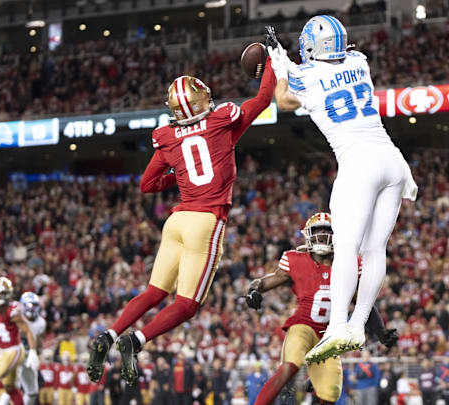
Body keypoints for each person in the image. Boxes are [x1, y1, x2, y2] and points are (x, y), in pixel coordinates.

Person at [87, 49, 277, 386]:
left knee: (153, 292)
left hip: (177, 221)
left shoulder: (168, 138)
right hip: (206, 221)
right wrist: (274, 59)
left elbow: (147, 185)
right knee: (187, 304)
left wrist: (180, 173)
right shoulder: (222, 123)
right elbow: (263, 96)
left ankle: (109, 335)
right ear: (200, 100)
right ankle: (137, 340)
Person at [267, 16, 418, 363]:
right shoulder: (359, 62)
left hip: (358, 163)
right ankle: (358, 323)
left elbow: (284, 101)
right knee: (375, 249)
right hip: (392, 160)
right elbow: (331, 68)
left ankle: (338, 326)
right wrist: (287, 62)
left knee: (347, 247)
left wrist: (279, 65)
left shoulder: (305, 75)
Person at [245, 213, 397, 404]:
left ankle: (315, 385)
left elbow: (363, 303)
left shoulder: (348, 265)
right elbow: (264, 281)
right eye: (318, 231)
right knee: (289, 367)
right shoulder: (296, 260)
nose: (323, 236)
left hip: (329, 336)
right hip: (302, 326)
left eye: (328, 231)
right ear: (309, 235)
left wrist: (380, 331)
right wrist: (252, 290)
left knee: (330, 395)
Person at [0, 277, 38, 405]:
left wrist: (32, 351)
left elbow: (27, 331)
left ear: (8, 294)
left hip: (13, 351)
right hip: (4, 351)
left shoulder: (12, 311)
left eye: (2, 293)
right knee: (10, 388)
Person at [0, 292, 46, 405]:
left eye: (34, 305)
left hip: (28, 356)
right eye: (29, 305)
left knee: (32, 392)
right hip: (14, 354)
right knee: (11, 387)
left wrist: (36, 353)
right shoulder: (15, 316)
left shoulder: (41, 323)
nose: (32, 308)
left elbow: (38, 342)